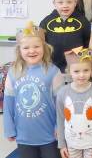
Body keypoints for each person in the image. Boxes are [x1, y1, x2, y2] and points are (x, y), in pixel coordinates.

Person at [3, 22, 63, 158]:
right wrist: (9, 128)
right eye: (26, 48)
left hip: (50, 135)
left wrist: (59, 126)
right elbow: (8, 103)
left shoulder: (53, 71)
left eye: (36, 46)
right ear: (19, 50)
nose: (32, 51)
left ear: (44, 47)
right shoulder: (13, 72)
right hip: (24, 135)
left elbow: (61, 103)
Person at [56, 47, 92, 158]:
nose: (81, 75)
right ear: (69, 71)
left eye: (86, 70)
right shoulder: (63, 93)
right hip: (71, 144)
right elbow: (60, 120)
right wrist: (62, 145)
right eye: (76, 71)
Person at [40, 0, 91, 73]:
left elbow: (88, 42)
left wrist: (87, 61)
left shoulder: (83, 21)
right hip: (52, 67)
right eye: (60, 2)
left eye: (69, 2)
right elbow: (41, 43)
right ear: (54, 3)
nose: (65, 6)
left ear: (75, 2)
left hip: (77, 69)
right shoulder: (46, 22)